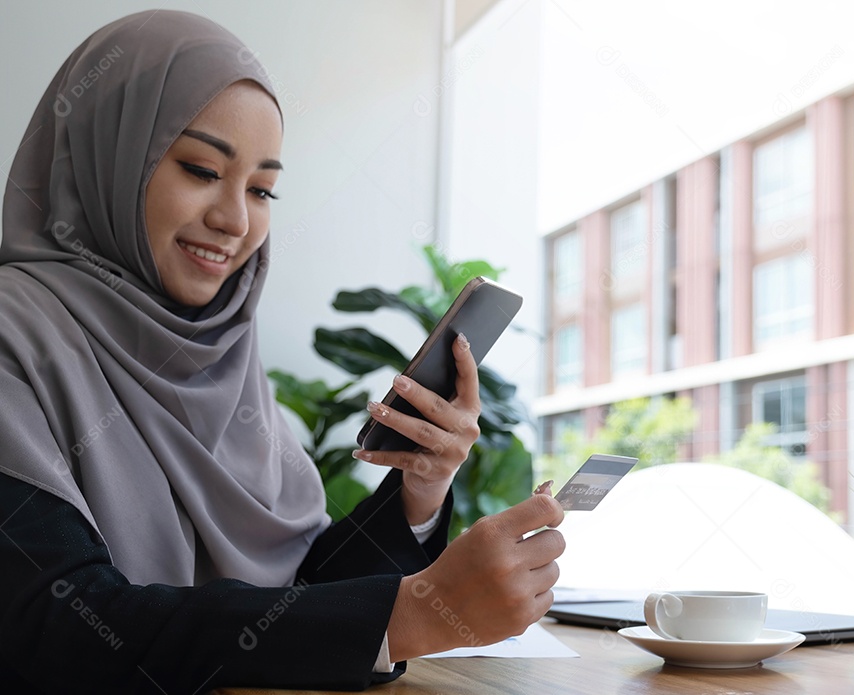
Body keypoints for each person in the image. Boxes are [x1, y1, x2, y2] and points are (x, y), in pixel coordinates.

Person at [0, 10, 564, 693]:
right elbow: (54, 624)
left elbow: (294, 591)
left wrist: (419, 492)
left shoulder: (217, 355)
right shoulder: (14, 335)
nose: (235, 220)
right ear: (105, 156)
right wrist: (406, 616)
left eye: (262, 189)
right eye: (202, 169)